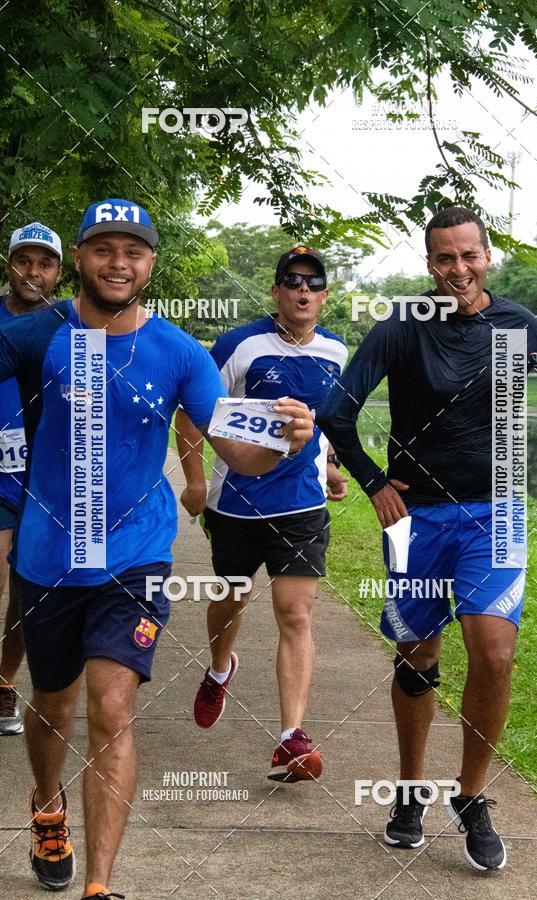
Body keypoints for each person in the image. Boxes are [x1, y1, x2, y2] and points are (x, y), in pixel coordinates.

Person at [0, 199, 313, 900]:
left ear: (150, 263)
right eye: (104, 249)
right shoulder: (40, 335)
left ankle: (100, 887)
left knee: (113, 708)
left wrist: (284, 442)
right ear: (80, 258)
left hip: (136, 556)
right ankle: (47, 806)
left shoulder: (178, 352)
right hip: (49, 556)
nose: (118, 263)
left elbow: (236, 449)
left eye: (133, 251)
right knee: (52, 705)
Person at [318, 206, 537, 871]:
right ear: (430, 263)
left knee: (494, 652)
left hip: (495, 511)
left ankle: (471, 796)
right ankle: (410, 790)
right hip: (416, 519)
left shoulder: (516, 325)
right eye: (445, 258)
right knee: (418, 657)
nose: (459, 269)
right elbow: (336, 410)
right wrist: (374, 483)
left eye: (469, 255)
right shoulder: (401, 326)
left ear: (487, 256)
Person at [177, 245, 348, 782]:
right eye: (292, 281)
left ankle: (291, 738)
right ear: (276, 291)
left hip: (301, 505)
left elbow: (329, 421)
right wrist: (195, 480)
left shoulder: (337, 351)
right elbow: (192, 413)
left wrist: (330, 467)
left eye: (313, 283)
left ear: (324, 295)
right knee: (230, 599)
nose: (303, 290)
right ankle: (220, 667)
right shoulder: (240, 345)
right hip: (236, 502)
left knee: (295, 613)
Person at [0, 222, 62, 736]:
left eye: (44, 263)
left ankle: (3, 682)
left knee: (26, 591)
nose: (32, 272)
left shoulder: (71, 327)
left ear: (60, 272)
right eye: (24, 261)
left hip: (45, 479)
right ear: (10, 265)